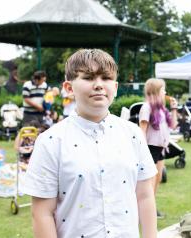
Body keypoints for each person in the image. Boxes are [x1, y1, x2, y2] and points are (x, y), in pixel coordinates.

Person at [22, 49, 157, 238]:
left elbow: (145, 196)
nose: (99, 85)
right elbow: (42, 213)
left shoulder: (133, 134)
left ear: (116, 87)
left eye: (106, 78)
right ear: (69, 88)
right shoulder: (50, 142)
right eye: (88, 77)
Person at [139, 78, 178, 218]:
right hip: (150, 148)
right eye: (163, 89)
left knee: (158, 178)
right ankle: (145, 210)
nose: (165, 92)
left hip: (161, 148)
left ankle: (151, 207)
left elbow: (173, 125)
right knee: (150, 181)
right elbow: (142, 129)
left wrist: (174, 109)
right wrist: (142, 150)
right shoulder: (147, 107)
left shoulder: (162, 109)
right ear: (155, 91)